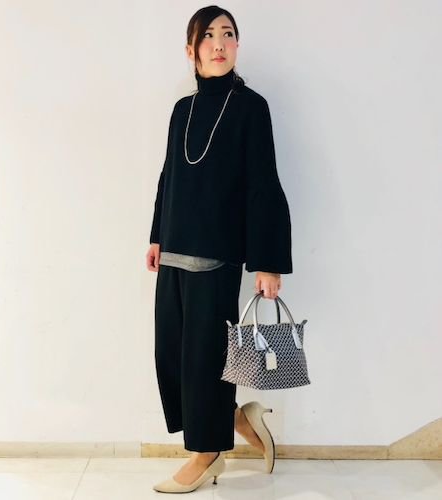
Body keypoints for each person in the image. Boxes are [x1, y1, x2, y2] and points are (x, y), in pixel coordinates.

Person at [145, 5, 293, 494]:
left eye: (228, 34)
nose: (219, 44)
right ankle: (238, 418)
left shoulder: (251, 107)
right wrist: (156, 235)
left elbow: (263, 185)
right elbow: (169, 176)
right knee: (173, 356)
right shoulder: (182, 110)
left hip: (217, 256)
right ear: (191, 49)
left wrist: (267, 261)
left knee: (204, 359)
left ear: (237, 45)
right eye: (208, 36)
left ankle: (207, 455)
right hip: (174, 251)